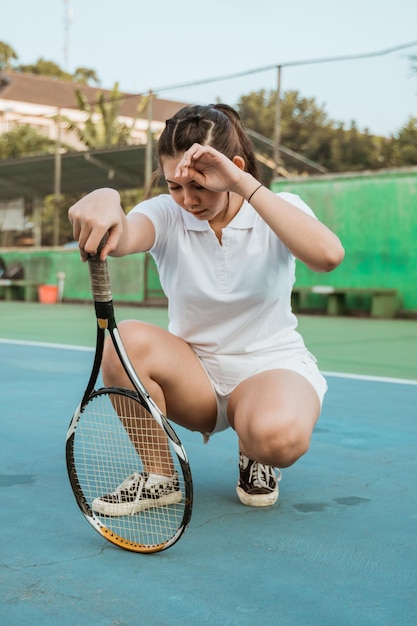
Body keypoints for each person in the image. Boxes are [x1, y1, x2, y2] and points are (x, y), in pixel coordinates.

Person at [68, 103, 344, 513]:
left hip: (269, 368)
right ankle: (159, 476)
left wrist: (242, 183)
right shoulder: (166, 213)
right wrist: (106, 197)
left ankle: (255, 451)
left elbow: (328, 255)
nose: (187, 199)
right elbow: (124, 235)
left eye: (200, 185)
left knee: (278, 439)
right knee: (123, 340)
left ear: (232, 168)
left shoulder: (279, 206)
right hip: (195, 376)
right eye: (174, 185)